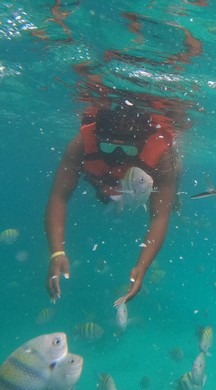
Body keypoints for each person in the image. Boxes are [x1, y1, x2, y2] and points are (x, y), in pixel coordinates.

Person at [44, 104, 181, 306]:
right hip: (106, 182)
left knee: (175, 171)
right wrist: (56, 252)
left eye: (127, 149)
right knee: (107, 196)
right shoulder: (82, 142)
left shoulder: (161, 156)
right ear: (98, 138)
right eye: (108, 146)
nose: (117, 155)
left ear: (141, 145)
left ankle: (173, 193)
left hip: (140, 183)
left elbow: (159, 216)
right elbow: (58, 196)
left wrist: (142, 267)